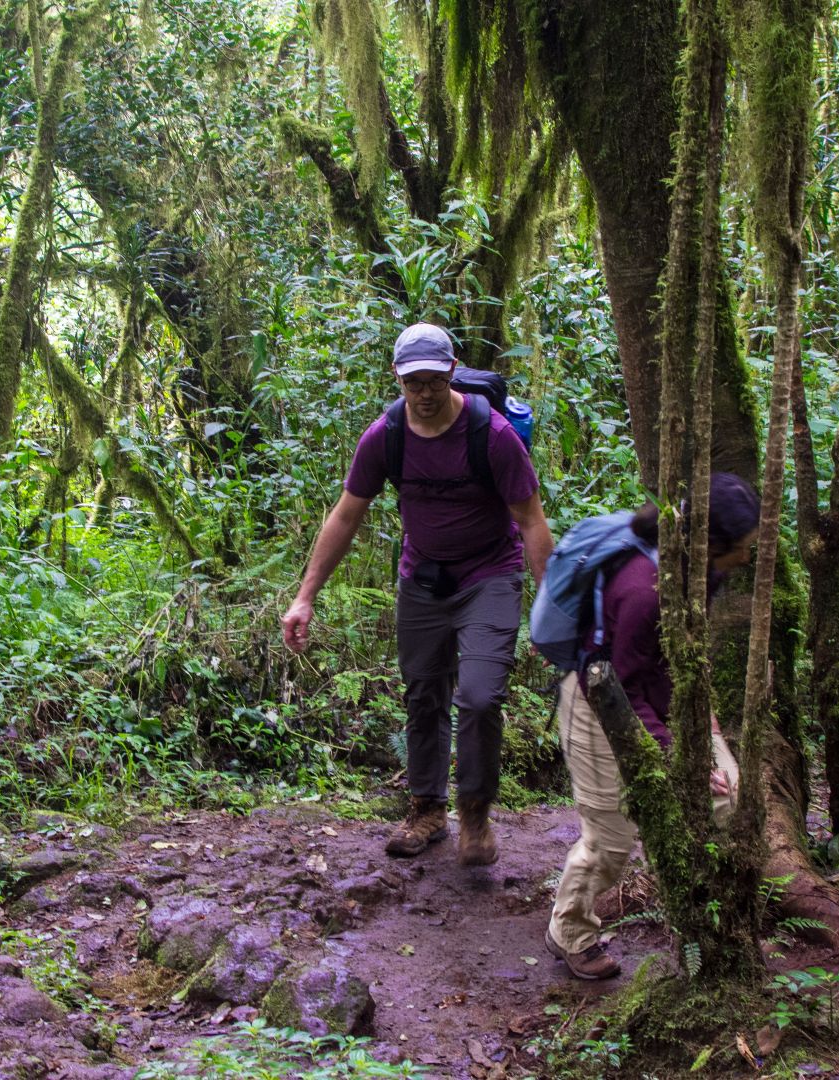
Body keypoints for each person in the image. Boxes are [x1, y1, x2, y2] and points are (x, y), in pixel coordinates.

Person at [281, 323, 553, 866]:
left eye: (433, 381)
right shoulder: (385, 436)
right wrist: (305, 595)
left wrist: (550, 609)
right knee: (423, 695)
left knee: (479, 696)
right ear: (398, 379)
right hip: (423, 580)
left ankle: (475, 810)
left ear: (452, 372)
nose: (424, 394)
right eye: (413, 383)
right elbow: (346, 514)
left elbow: (530, 522)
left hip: (490, 576)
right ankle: (428, 809)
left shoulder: (493, 436)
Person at [544, 472, 759, 979]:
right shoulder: (643, 590)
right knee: (610, 842)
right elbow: (626, 686)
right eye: (743, 548)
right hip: (598, 702)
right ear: (712, 543)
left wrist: (702, 727)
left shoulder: (706, 572)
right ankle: (569, 932)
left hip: (669, 697)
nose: (749, 559)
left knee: (727, 794)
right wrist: (669, 754)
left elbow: (681, 657)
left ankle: (706, 923)